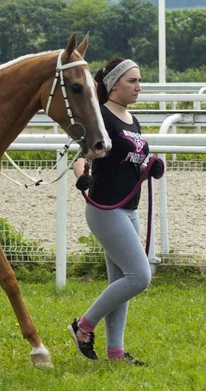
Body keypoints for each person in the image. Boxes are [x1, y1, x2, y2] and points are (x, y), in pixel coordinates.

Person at [68, 58, 164, 366]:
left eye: (139, 81)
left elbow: (131, 158)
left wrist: (150, 166)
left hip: (129, 209)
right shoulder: (104, 117)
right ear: (113, 85)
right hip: (105, 209)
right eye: (132, 81)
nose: (138, 86)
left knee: (121, 282)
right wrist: (82, 176)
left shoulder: (130, 118)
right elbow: (82, 157)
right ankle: (83, 326)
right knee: (139, 276)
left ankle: (116, 352)